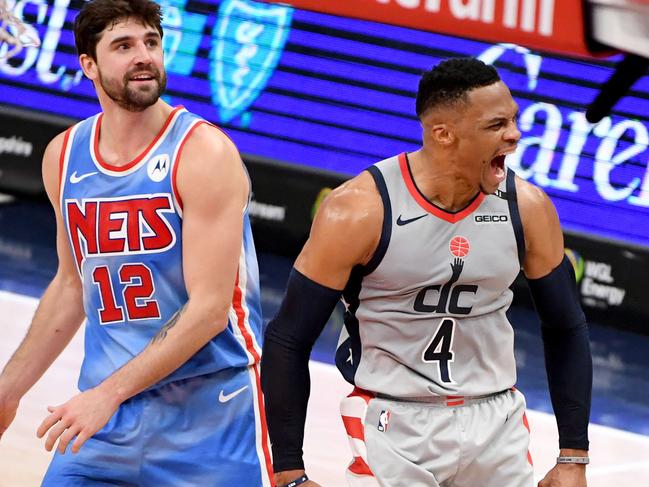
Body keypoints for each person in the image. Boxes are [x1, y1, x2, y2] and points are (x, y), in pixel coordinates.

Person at [261, 57, 592, 487]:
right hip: (393, 419)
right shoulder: (359, 210)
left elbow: (566, 326)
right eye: (496, 125)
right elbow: (288, 338)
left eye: (513, 120)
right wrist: (289, 473)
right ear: (443, 134)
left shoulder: (527, 208)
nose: (515, 135)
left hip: (496, 421)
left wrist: (573, 457)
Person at [0, 0, 273, 485]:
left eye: (151, 42)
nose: (143, 56)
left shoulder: (203, 152)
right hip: (105, 424)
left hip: (211, 420)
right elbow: (70, 286)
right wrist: (8, 391)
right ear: (89, 64)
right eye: (123, 46)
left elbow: (210, 309)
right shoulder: (63, 156)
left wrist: (107, 394)